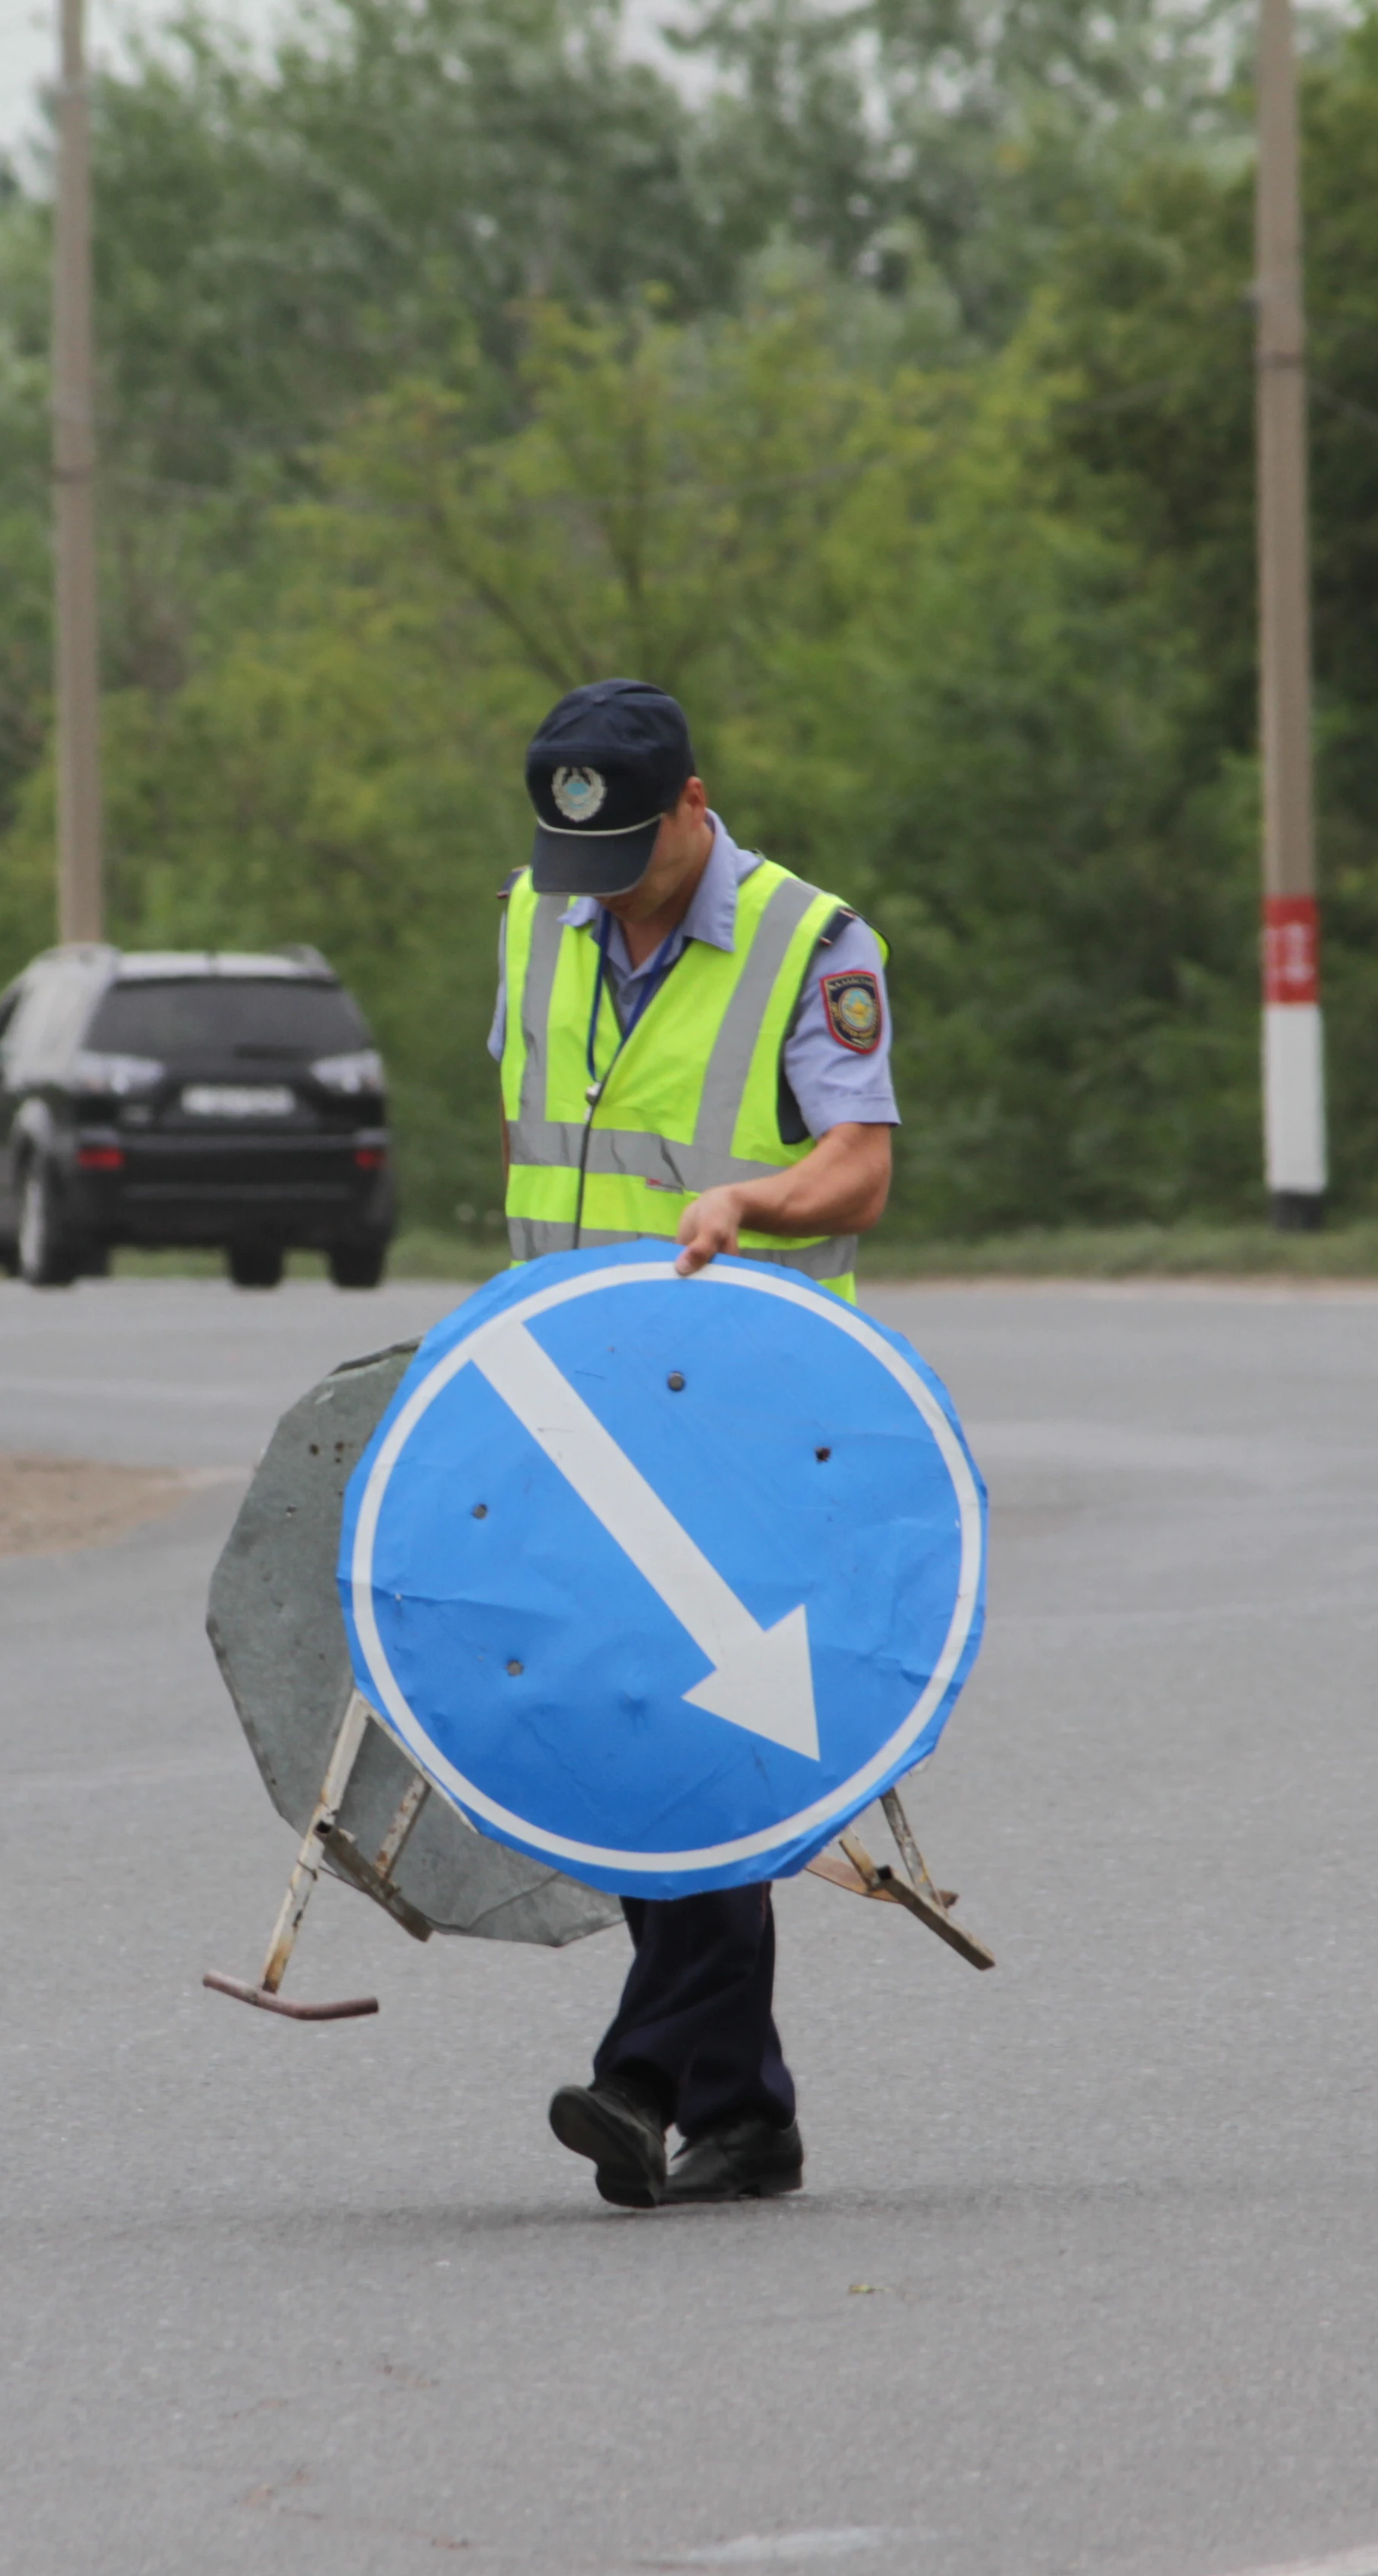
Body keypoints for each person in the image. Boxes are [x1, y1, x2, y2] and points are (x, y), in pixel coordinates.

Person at [487, 677, 899, 2209]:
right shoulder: (536, 917)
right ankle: (742, 2109)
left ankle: (644, 2075)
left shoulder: (814, 942)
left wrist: (749, 1201)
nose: (599, 894)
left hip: (741, 1410)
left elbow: (859, 1169)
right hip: (572, 1401)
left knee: (696, 1726)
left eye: (629, 858)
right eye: (575, 864)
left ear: (695, 807)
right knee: (633, 1725)